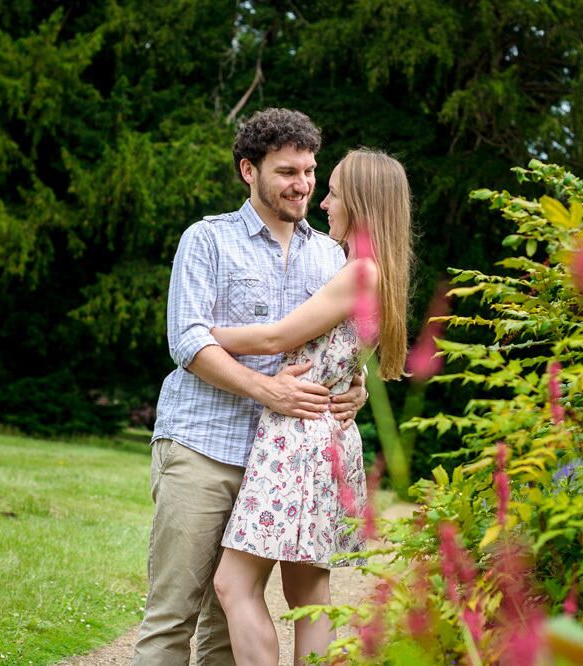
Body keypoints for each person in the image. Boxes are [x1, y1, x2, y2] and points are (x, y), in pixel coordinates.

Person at [133, 108, 368, 666]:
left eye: (310, 171)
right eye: (288, 171)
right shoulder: (207, 240)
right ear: (248, 171)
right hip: (203, 447)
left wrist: (353, 389)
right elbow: (188, 343)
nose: (304, 185)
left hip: (281, 461)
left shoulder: (329, 253)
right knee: (173, 613)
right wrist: (268, 392)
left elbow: (333, 346)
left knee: (226, 623)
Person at [210, 148, 413, 666]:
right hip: (328, 439)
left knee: (233, 584)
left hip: (297, 436)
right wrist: (356, 383)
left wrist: (200, 334)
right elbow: (347, 355)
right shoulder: (378, 272)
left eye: (336, 192)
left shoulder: (358, 273)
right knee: (308, 598)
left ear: (362, 204)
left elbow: (279, 336)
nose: (323, 201)